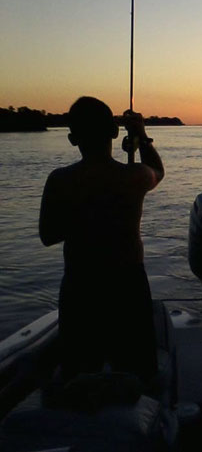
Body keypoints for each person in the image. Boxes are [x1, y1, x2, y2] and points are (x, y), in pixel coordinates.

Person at [39, 96, 164, 385]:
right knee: (138, 375)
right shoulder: (134, 176)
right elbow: (157, 171)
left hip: (80, 289)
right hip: (128, 287)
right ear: (114, 132)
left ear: (72, 139)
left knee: (79, 375)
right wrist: (142, 136)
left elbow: (48, 236)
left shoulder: (59, 180)